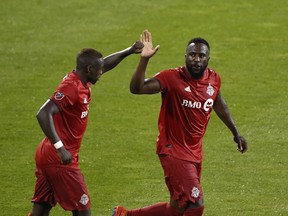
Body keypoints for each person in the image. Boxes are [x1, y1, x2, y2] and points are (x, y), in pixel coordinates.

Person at [112, 30, 248, 216]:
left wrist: (236, 132)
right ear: (186, 56)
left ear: (208, 58)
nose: (196, 59)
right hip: (173, 150)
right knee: (195, 204)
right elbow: (137, 88)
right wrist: (144, 59)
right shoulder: (171, 78)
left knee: (178, 207)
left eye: (201, 55)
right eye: (192, 55)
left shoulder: (213, 79)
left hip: (194, 152)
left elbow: (218, 103)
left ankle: (124, 215)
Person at [28, 41, 144, 216]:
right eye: (99, 70)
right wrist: (61, 148)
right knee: (83, 210)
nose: (101, 72)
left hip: (47, 154)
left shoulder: (82, 79)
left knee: (41, 209)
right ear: (89, 69)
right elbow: (43, 114)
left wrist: (129, 51)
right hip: (59, 158)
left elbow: (105, 64)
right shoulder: (72, 88)